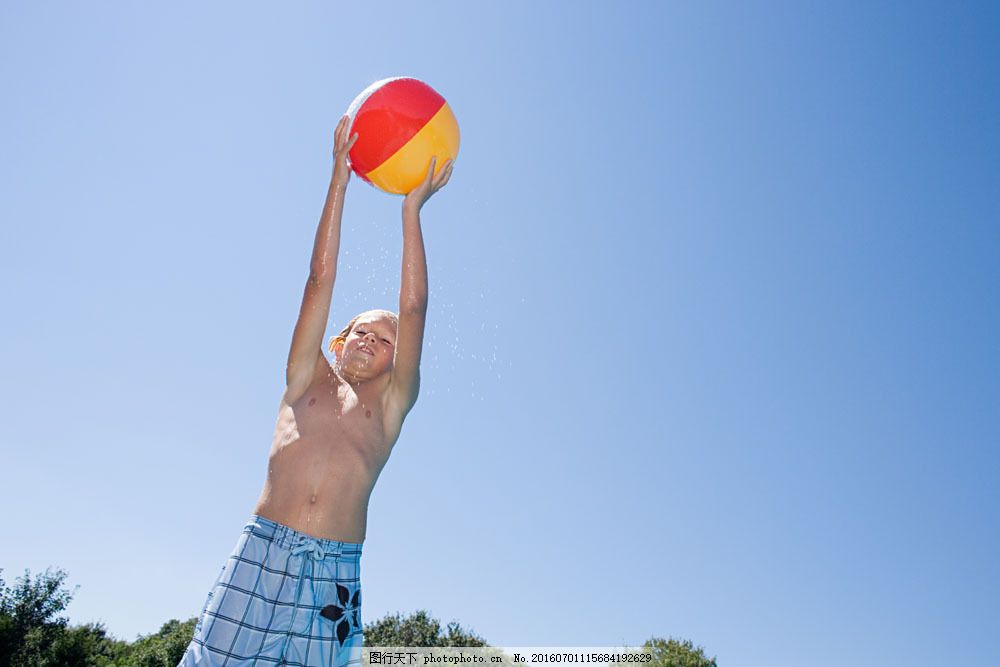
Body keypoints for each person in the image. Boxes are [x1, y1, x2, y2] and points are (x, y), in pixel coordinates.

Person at [178, 114, 454, 667]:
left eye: (385, 341)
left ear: (397, 365)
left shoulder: (391, 407)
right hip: (262, 550)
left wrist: (410, 212)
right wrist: (339, 179)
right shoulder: (305, 375)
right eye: (362, 331)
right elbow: (318, 279)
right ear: (338, 339)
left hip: (335, 571)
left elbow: (415, 307)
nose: (371, 341)